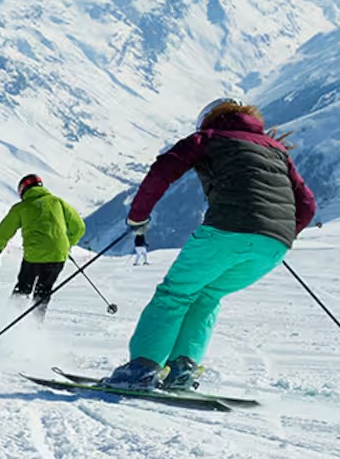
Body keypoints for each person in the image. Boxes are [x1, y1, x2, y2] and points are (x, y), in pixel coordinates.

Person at [101, 98, 316, 391]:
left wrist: (138, 216)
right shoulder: (276, 150)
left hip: (226, 231)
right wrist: (277, 233)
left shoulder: (208, 138)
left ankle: (142, 367)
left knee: (174, 295)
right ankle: (181, 370)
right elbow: (307, 204)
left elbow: (163, 170)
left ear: (208, 121)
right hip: (273, 246)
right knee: (207, 295)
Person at [0, 174, 87, 319]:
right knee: (43, 292)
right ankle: (35, 327)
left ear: (23, 190)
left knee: (23, 289)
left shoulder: (21, 207)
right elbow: (79, 227)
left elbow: (3, 231)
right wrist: (67, 244)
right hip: (58, 256)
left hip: (34, 256)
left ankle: (7, 321)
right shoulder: (57, 202)